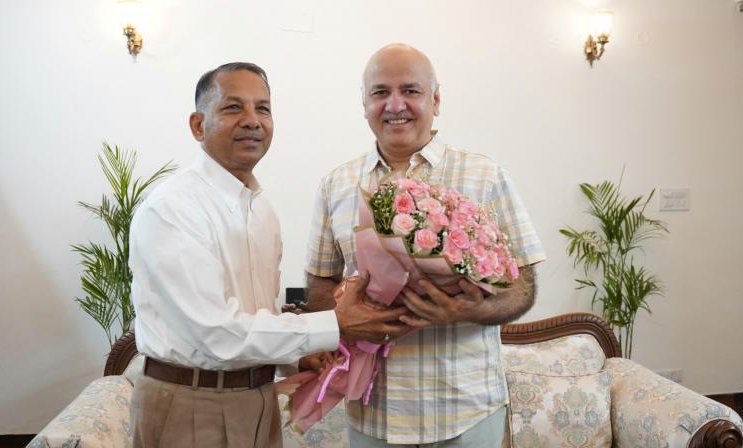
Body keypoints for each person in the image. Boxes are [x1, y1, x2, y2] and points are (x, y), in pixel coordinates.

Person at [128, 62, 410, 448]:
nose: (252, 121)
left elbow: (258, 314)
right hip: (192, 402)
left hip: (257, 399)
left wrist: (294, 359)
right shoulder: (173, 208)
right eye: (233, 107)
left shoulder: (262, 211)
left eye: (263, 108)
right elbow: (215, 334)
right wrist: (335, 324)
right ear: (198, 125)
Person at [305, 44, 547, 447]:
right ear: (364, 103)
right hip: (374, 413)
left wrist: (468, 310)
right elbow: (318, 283)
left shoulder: (485, 176)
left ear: (435, 99)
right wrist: (345, 316)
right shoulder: (336, 185)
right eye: (380, 92)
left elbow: (523, 284)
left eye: (410, 90)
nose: (394, 105)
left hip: (467, 410)